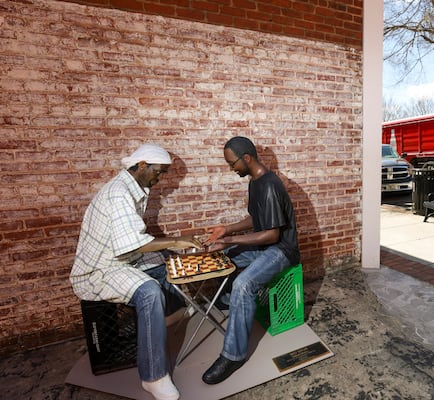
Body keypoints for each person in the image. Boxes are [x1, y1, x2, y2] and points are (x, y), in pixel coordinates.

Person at [70, 143, 204, 400]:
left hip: (122, 257)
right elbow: (136, 243)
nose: (160, 177)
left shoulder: (134, 188)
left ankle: (168, 315)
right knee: (149, 292)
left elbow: (134, 242)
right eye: (159, 171)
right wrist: (177, 240)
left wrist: (171, 246)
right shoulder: (119, 194)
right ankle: (153, 377)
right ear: (142, 166)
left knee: (164, 260)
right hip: (100, 269)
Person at [201, 136, 300, 385]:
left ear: (246, 158)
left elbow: (273, 234)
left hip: (281, 250)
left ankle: (233, 355)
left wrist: (232, 241)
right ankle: (228, 301)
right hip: (266, 246)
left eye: (232, 163)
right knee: (223, 256)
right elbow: (256, 220)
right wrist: (227, 230)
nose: (231, 168)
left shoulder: (269, 185)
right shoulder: (254, 182)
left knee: (244, 284)